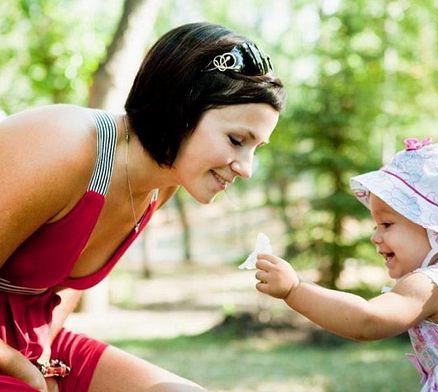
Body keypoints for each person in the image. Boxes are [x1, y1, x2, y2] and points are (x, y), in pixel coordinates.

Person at [0, 22, 285, 392]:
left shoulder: (161, 186)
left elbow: (65, 287)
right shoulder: (64, 144)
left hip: (36, 344)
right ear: (180, 107)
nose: (246, 168)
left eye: (255, 148)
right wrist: (22, 371)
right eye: (236, 140)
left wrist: (40, 362)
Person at [255, 138, 438, 391]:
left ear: (436, 229)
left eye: (387, 224)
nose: (375, 236)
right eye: (375, 225)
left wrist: (294, 289)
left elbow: (367, 321)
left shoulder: (429, 284)